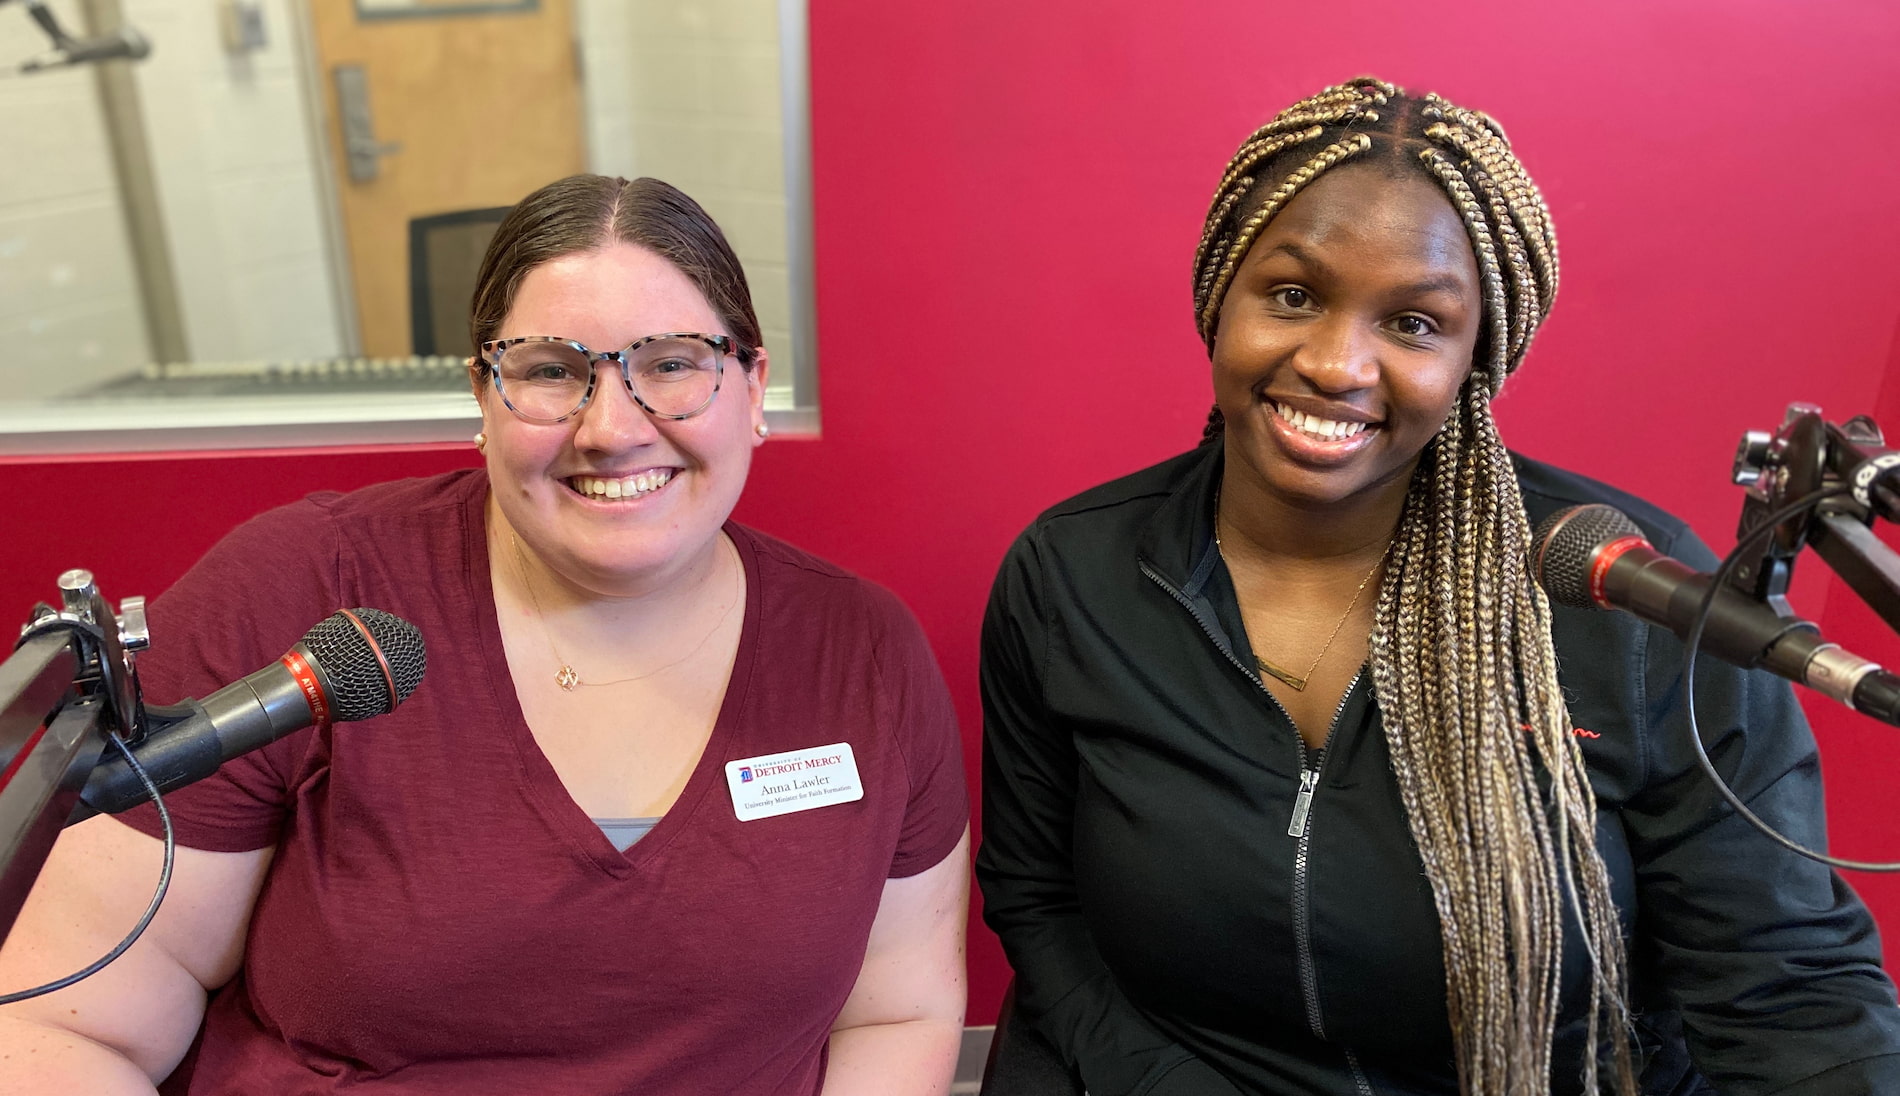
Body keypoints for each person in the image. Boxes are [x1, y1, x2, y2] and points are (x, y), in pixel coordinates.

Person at [974, 77, 1900, 1096]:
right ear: (1217, 296)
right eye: (1292, 295)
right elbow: (1036, 899)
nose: (1335, 362)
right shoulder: (1073, 574)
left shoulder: (1630, 597)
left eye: (1412, 322)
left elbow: (1784, 983)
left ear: (1475, 354)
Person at [0, 175, 970, 1095]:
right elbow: (67, 1023)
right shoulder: (303, 589)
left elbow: (897, 1013)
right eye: (551, 372)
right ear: (481, 396)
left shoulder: (863, 654)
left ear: (752, 388)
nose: (611, 427)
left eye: (671, 364)